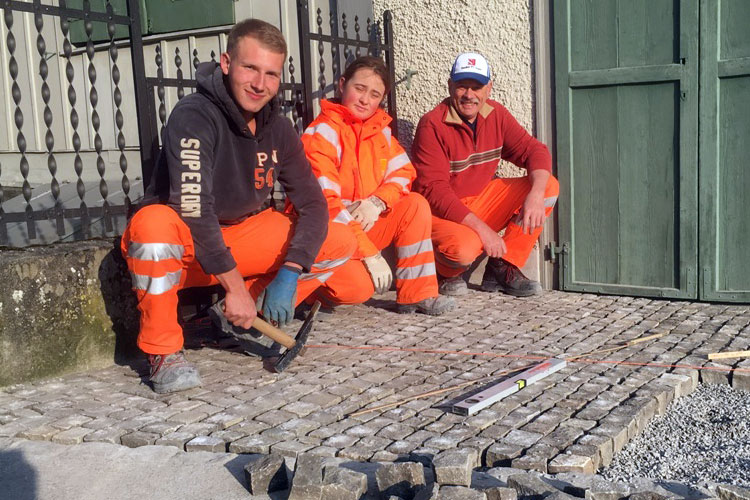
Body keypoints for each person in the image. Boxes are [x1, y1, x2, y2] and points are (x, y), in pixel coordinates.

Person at [120, 19, 356, 394]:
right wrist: (234, 286)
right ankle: (164, 352)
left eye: (271, 74)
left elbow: (312, 203)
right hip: (187, 247)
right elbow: (195, 209)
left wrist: (292, 271)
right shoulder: (194, 115)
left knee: (341, 240)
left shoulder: (278, 128)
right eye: (250, 68)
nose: (260, 84)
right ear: (226, 63)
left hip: (238, 237)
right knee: (152, 226)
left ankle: (235, 318)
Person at [301, 56, 454, 315]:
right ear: (342, 85)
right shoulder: (322, 133)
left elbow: (404, 173)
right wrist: (370, 253)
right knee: (356, 290)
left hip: (362, 222)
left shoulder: (379, 131)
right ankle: (306, 293)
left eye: (374, 95)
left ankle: (418, 294)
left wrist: (377, 202)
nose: (364, 100)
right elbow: (326, 204)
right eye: (359, 89)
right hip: (328, 232)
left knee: (414, 204)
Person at [412, 52, 559, 297]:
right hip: (441, 214)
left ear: (488, 88)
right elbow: (434, 192)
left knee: (548, 186)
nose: (469, 95)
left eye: (477, 87)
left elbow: (535, 150)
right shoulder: (432, 125)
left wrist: (535, 193)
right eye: (462, 86)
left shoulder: (496, 114)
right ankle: (443, 273)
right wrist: (484, 231)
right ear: (450, 86)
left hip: (478, 203)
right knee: (464, 249)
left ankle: (503, 267)